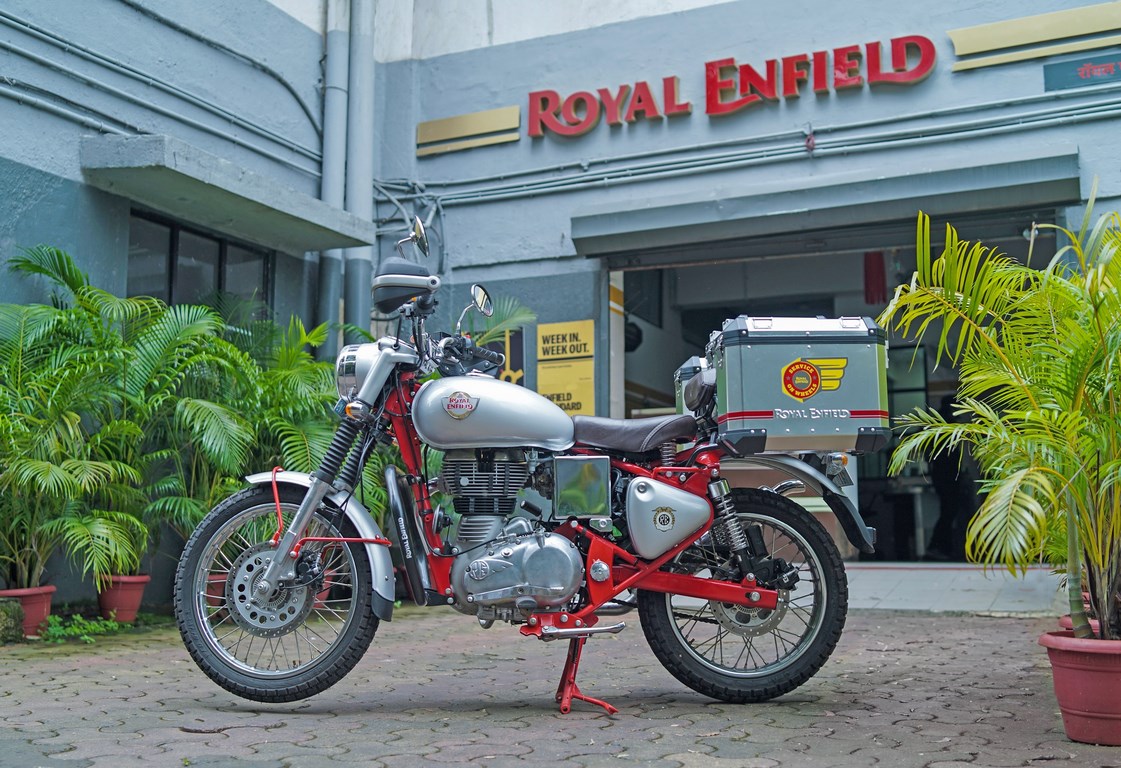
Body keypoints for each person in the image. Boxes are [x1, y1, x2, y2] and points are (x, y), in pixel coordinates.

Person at [925, 396, 981, 561]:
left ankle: (944, 548)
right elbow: (947, 456)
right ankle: (938, 547)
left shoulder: (940, 423)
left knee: (949, 513)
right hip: (948, 477)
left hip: (945, 477)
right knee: (949, 513)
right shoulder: (946, 424)